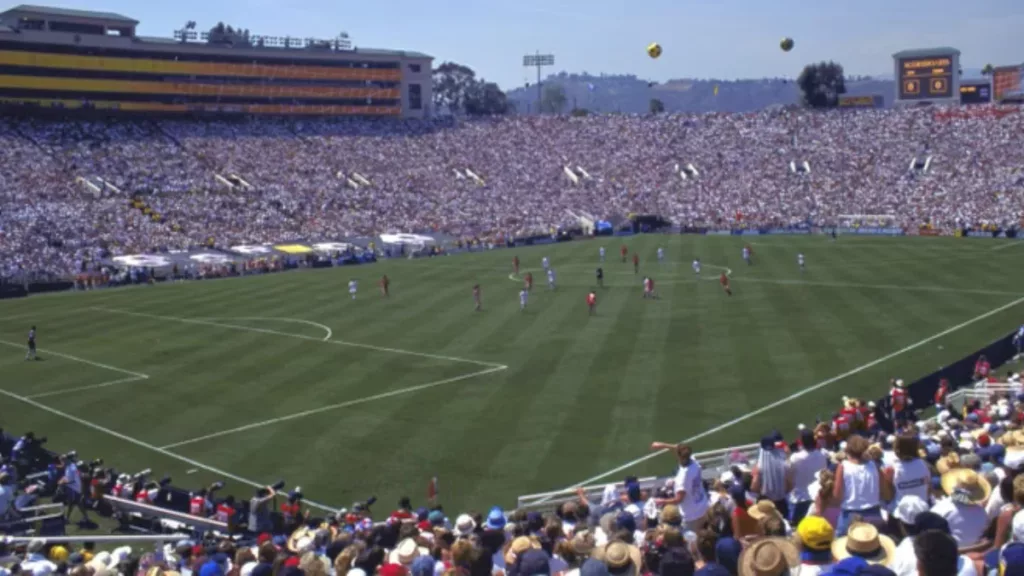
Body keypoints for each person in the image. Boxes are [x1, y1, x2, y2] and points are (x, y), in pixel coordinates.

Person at [833, 435, 888, 536]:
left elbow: (837, 496)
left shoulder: (843, 467)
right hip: (874, 514)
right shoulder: (874, 466)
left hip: (849, 516)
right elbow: (884, 491)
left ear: (848, 450)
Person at [651, 442, 709, 531]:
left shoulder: (682, 478)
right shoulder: (694, 462)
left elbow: (679, 499)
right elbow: (677, 448)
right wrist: (662, 446)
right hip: (703, 506)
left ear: (679, 456)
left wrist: (662, 501)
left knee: (692, 540)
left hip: (692, 515)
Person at [788, 428, 827, 525]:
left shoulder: (795, 457)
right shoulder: (822, 455)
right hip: (817, 497)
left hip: (800, 499)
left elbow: (789, 477)